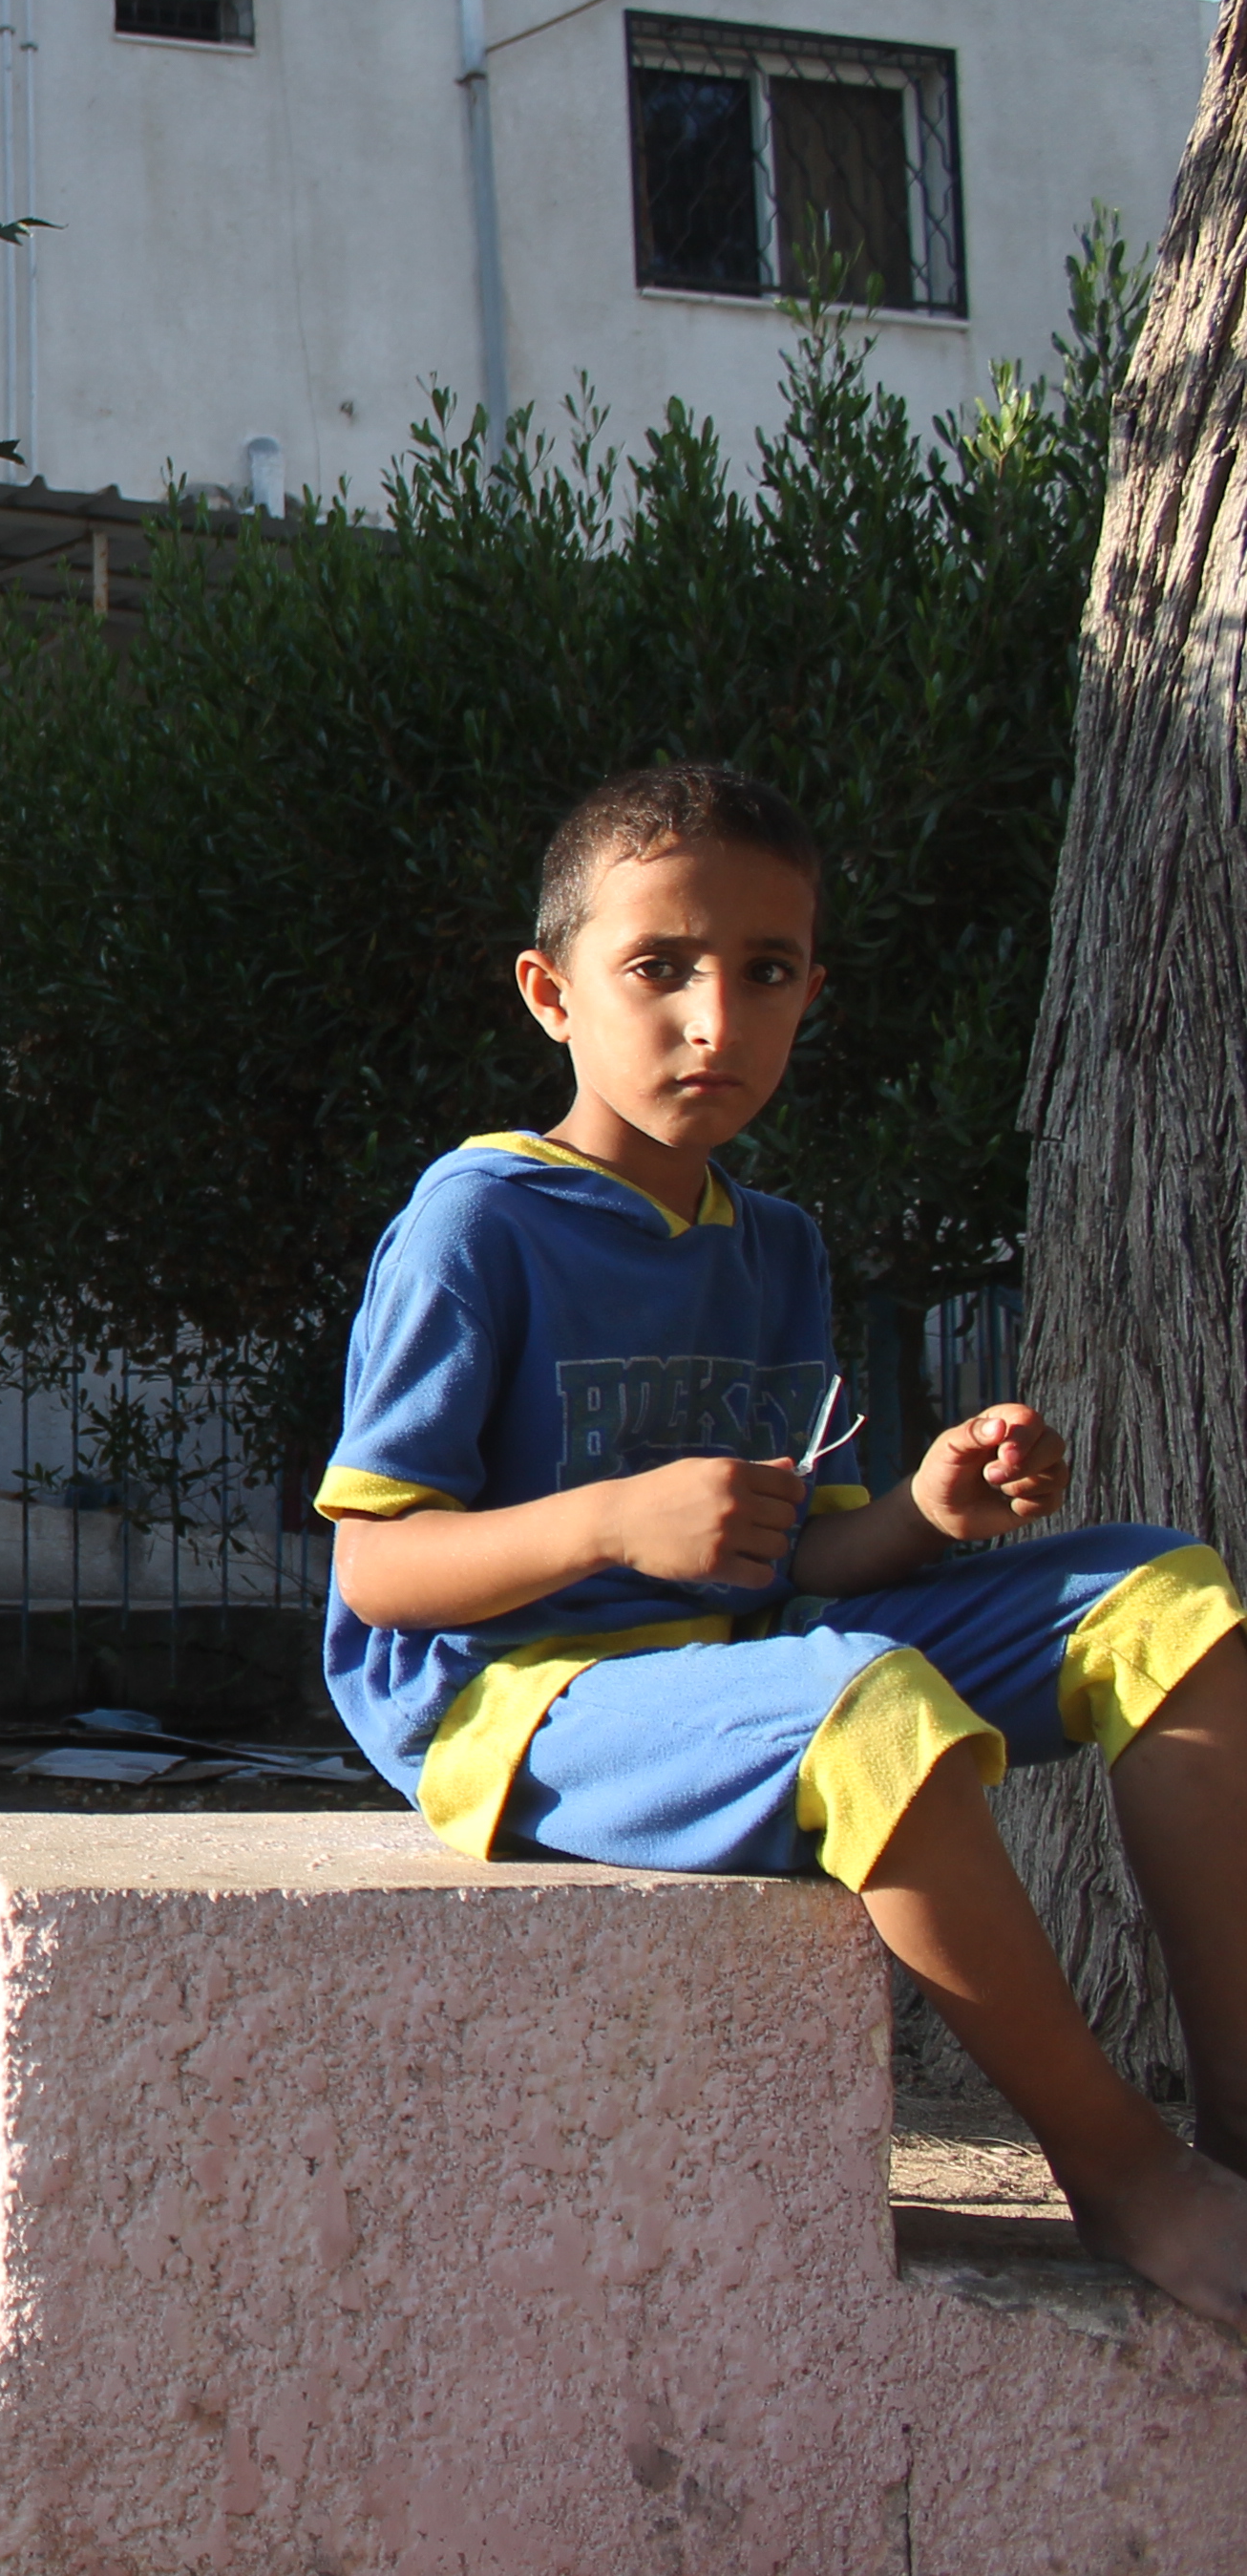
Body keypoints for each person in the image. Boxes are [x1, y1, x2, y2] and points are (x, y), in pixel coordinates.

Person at [320, 759, 1247, 2325]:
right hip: (517, 1698)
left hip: (737, 1657)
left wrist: (925, 1513)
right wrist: (615, 1517)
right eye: (660, 969)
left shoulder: (778, 1246)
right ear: (552, 994)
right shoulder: (477, 1223)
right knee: (870, 1707)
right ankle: (1122, 2175)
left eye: (765, 974)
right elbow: (375, 1575)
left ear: (814, 991)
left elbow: (801, 1562)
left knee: (1169, 1597)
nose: (715, 1020)